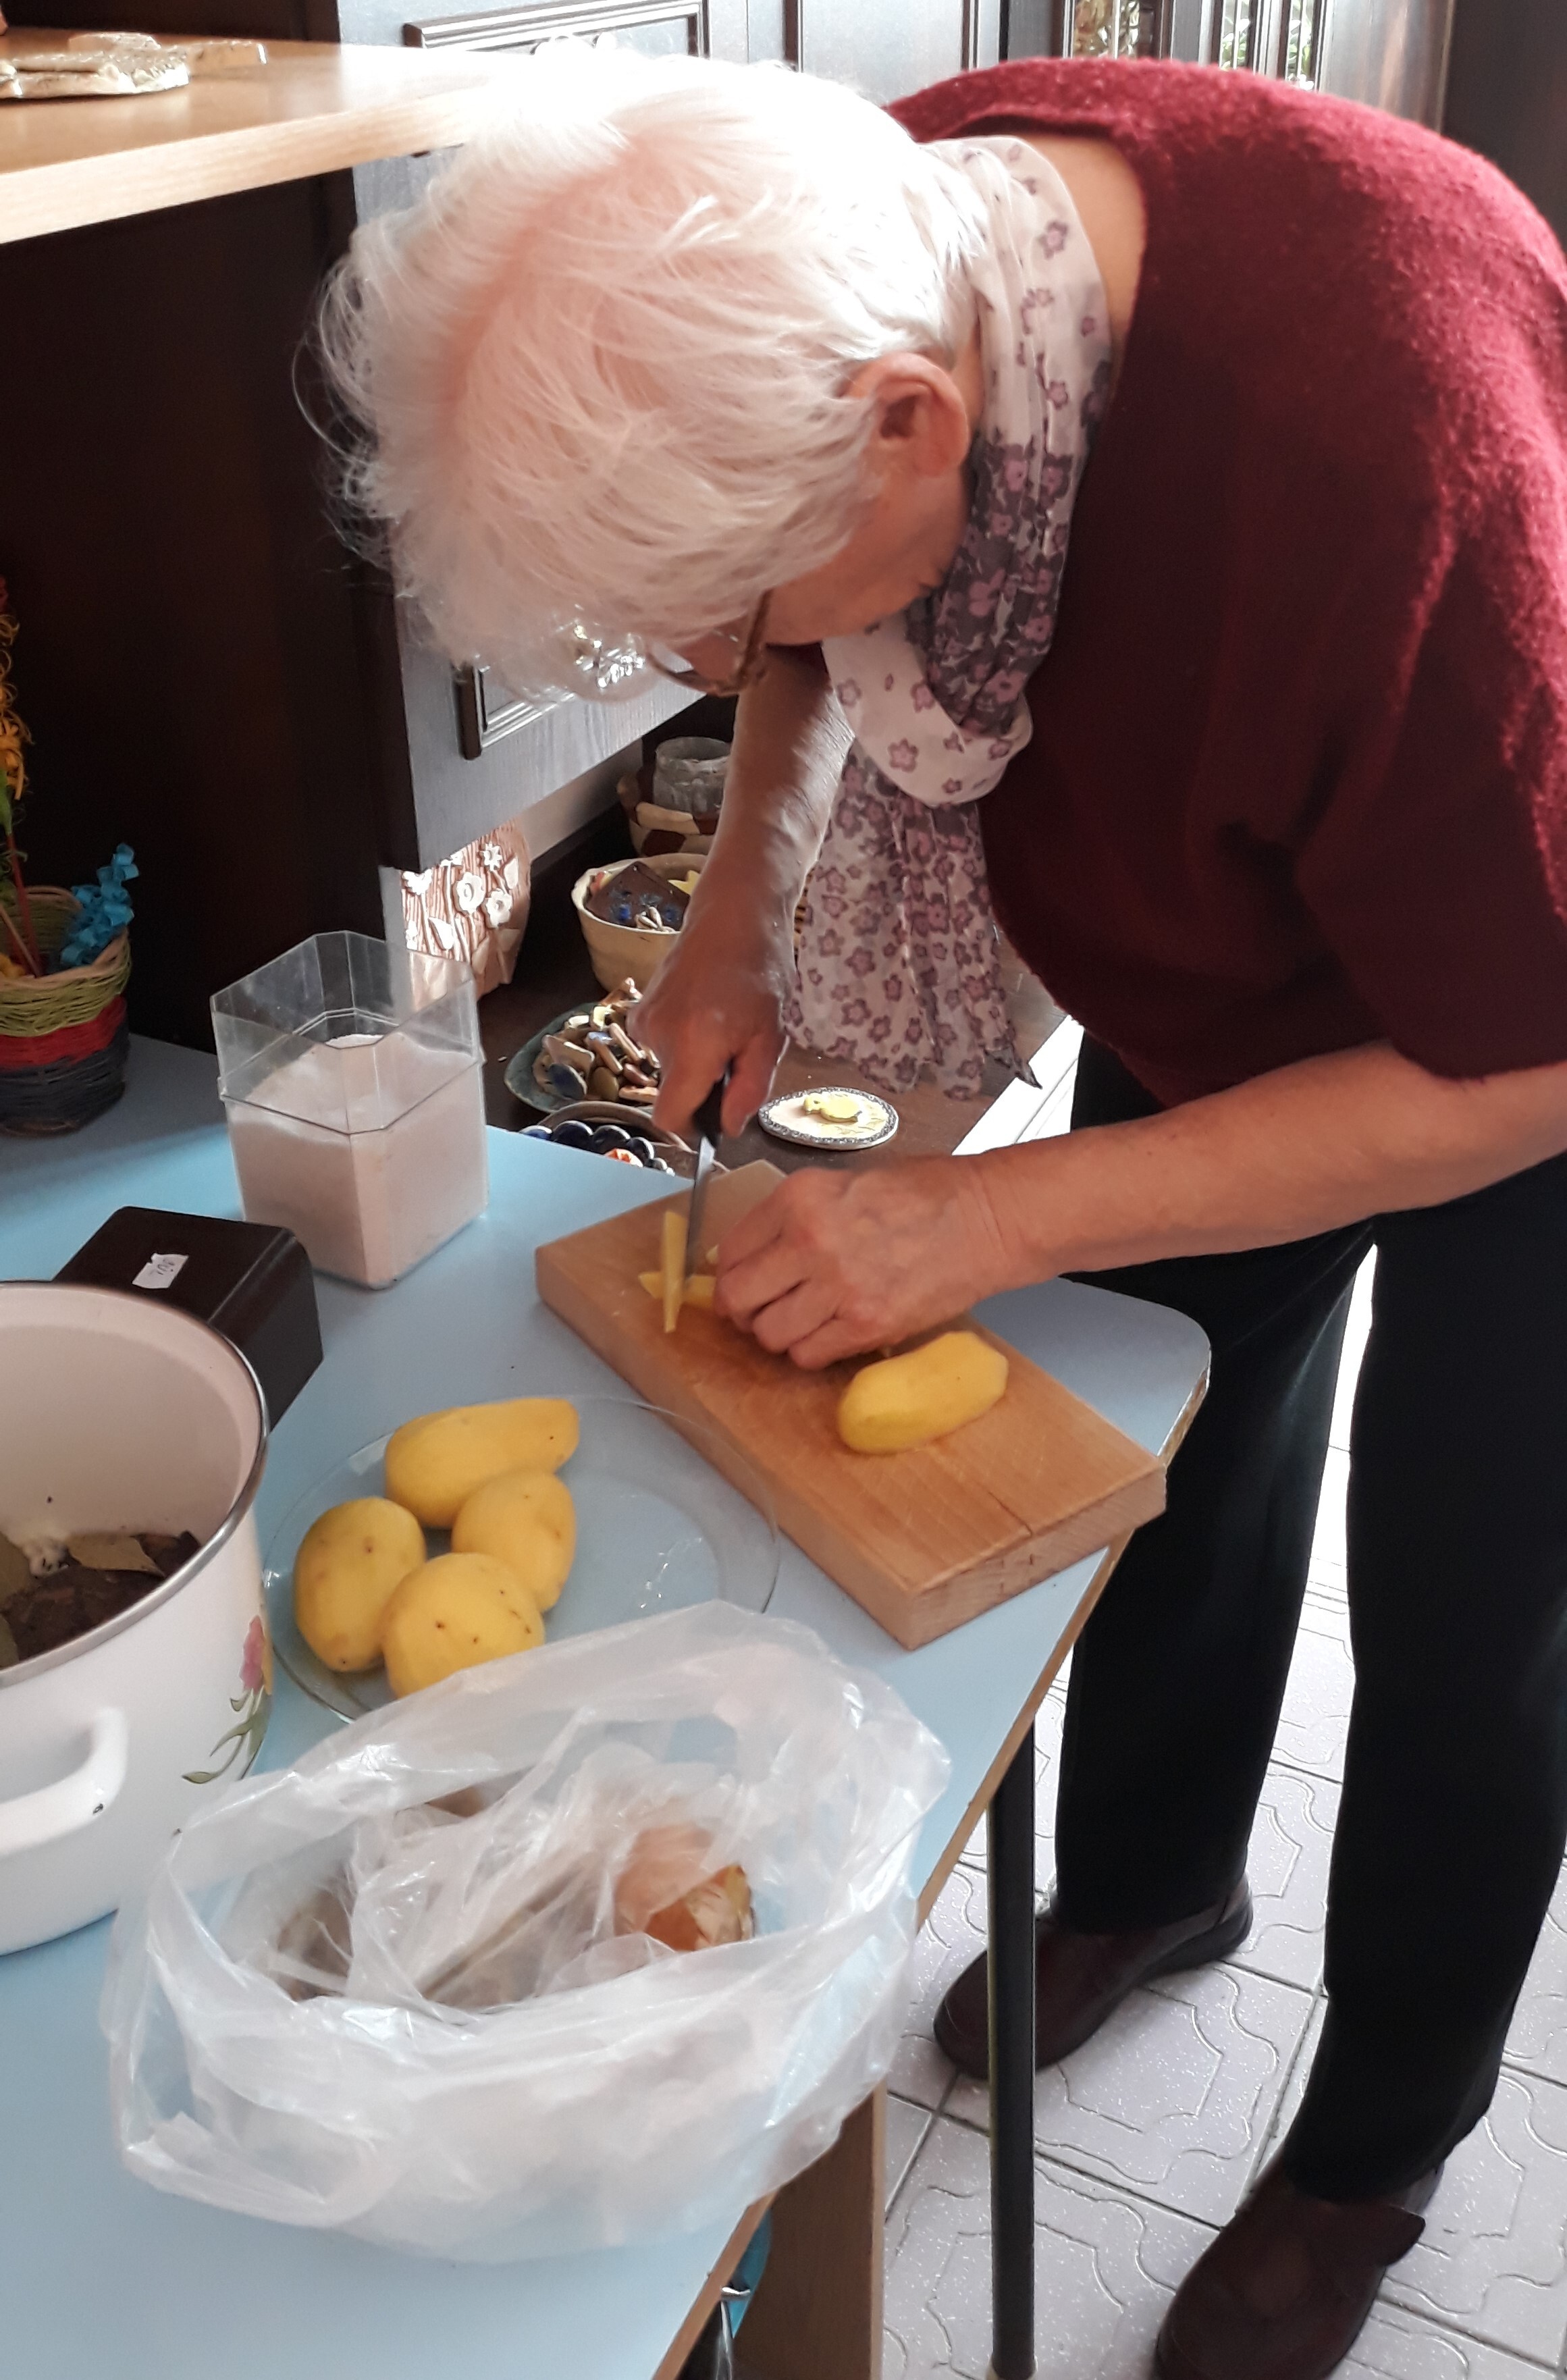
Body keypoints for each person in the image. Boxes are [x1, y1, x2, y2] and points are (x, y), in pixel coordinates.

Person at [321, 48, 1567, 2380]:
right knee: (1176, 1453)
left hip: (1517, 983)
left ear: (914, 428)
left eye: (705, 617)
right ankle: (1152, 1885)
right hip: (1224, 922)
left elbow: (1517, 1056)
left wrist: (999, 1216)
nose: (712, 668)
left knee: (1473, 1597)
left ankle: (1368, 2152)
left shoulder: (1378, 450)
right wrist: (737, 914)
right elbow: (814, 625)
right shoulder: (871, 240)